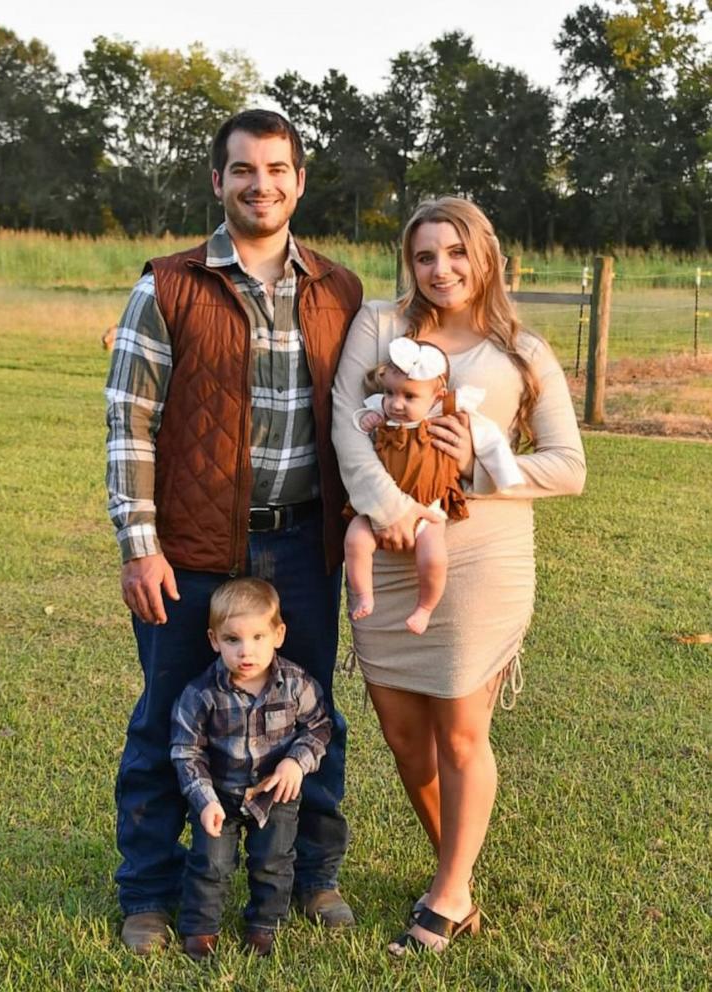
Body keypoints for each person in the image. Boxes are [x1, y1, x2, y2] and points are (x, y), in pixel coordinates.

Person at [105, 108, 363, 954]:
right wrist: (139, 544)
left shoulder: (339, 289)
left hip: (303, 544)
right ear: (218, 181)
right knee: (166, 718)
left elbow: (363, 417)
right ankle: (148, 892)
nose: (263, 184)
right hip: (192, 549)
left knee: (308, 713)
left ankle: (311, 877)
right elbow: (128, 423)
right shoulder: (168, 284)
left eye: (278, 169)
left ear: (298, 180)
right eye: (244, 170)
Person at [332, 196, 586, 954]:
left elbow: (568, 468)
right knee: (405, 739)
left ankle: (445, 895)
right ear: (407, 264)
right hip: (383, 551)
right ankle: (460, 873)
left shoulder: (522, 352)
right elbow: (347, 422)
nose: (439, 269)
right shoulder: (379, 328)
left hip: (479, 557)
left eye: (455, 253)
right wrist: (387, 508)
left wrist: (479, 459)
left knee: (461, 732)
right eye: (422, 255)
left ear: (484, 258)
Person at [171, 579, 331, 959]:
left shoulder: (295, 684)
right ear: (213, 640)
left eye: (259, 637)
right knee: (210, 862)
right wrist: (204, 798)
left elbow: (320, 726)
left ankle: (263, 926)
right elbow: (185, 750)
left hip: (276, 793)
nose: (247, 651)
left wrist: (296, 761)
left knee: (273, 861)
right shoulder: (201, 694)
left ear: (279, 634)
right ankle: (201, 929)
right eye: (233, 640)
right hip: (219, 795)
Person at [345, 336, 524, 634]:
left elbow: (488, 436)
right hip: (379, 506)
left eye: (409, 397)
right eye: (390, 392)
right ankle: (364, 594)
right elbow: (354, 426)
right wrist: (367, 418)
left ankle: (424, 608)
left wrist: (502, 475)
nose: (396, 403)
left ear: (438, 396)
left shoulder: (445, 412)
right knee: (355, 540)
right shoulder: (382, 414)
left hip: (428, 508)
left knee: (434, 558)